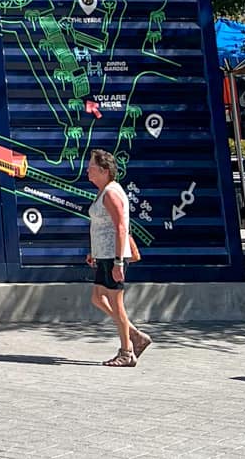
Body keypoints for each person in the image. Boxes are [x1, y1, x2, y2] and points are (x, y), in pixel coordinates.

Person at [86, 148, 149, 366]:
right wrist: (93, 252)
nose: (87, 170)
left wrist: (118, 262)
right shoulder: (104, 191)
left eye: (91, 166)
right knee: (97, 298)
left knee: (116, 303)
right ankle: (135, 335)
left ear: (104, 170)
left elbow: (121, 227)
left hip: (113, 256)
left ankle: (127, 352)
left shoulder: (112, 193)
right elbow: (102, 227)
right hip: (104, 255)